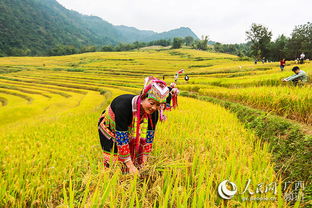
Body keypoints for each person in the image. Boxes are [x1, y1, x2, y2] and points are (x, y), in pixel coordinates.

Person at [98, 76, 169, 174]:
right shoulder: (124, 106)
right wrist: (130, 165)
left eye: (158, 105)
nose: (154, 107)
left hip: (128, 129)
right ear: (143, 97)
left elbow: (149, 138)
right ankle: (109, 179)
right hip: (108, 128)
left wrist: (144, 160)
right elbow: (121, 138)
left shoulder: (154, 112)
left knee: (135, 155)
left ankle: (128, 174)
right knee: (113, 160)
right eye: (151, 103)